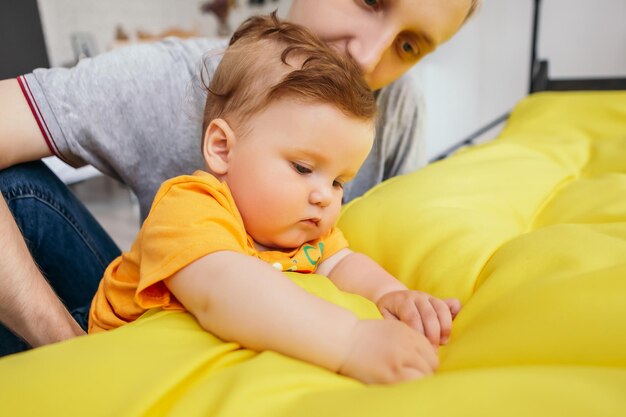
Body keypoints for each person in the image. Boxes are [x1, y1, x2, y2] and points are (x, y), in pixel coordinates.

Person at [0, 0, 479, 356]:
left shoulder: (307, 217)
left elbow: (342, 261)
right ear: (223, 149)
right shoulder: (191, 205)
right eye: (303, 168)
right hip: (119, 340)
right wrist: (350, 341)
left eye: (339, 183)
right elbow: (224, 289)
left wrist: (393, 295)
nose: (369, 58)